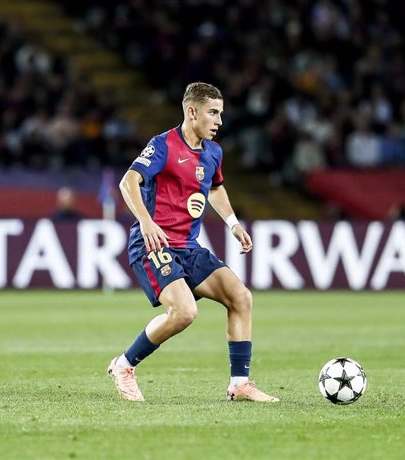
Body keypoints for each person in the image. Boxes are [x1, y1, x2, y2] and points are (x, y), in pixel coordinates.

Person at [109, 82, 279, 403]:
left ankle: (240, 383)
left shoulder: (213, 152)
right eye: (213, 113)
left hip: (189, 246)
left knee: (240, 297)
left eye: (221, 114)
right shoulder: (164, 145)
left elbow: (214, 188)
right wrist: (146, 221)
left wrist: (232, 223)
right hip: (154, 244)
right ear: (192, 112)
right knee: (184, 312)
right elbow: (128, 180)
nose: (219, 121)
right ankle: (123, 366)